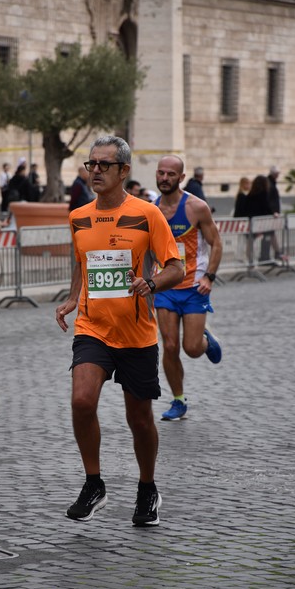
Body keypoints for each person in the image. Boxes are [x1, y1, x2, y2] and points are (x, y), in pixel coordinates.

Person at [56, 136, 183, 527]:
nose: (94, 170)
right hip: (92, 327)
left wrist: (151, 283)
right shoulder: (78, 216)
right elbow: (83, 261)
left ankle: (148, 488)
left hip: (136, 333)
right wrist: (74, 297)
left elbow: (175, 267)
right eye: (90, 163)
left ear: (123, 171)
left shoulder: (147, 214)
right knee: (81, 401)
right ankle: (94, 483)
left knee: (140, 419)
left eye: (103, 165)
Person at [153, 155, 223, 421]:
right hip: (165, 288)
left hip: (194, 286)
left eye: (171, 174)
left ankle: (204, 340)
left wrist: (209, 277)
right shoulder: (151, 210)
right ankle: (178, 400)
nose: (164, 179)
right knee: (169, 346)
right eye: (161, 173)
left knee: (191, 348)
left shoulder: (196, 207)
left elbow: (216, 243)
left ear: (181, 178)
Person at [245, 174, 283, 261]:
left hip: (252, 222)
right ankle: (277, 253)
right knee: (271, 234)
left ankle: (250, 260)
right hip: (261, 222)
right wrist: (273, 213)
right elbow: (266, 207)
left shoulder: (250, 194)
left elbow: (247, 209)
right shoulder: (264, 194)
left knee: (250, 242)